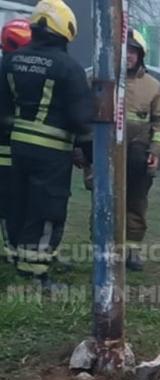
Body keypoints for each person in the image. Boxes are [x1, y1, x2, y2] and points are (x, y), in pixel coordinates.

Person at [0, 0, 93, 289]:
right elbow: (82, 121)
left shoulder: (10, 60)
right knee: (46, 208)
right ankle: (36, 272)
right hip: (52, 152)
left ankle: (16, 257)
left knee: (17, 203)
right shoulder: (69, 68)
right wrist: (92, 161)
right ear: (66, 29)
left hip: (14, 148)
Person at [121, 28, 160, 271]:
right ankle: (105, 250)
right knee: (105, 202)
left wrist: (156, 150)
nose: (128, 55)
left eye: (133, 51)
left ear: (141, 55)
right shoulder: (102, 79)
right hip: (107, 156)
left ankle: (132, 251)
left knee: (136, 203)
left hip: (139, 158)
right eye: (125, 50)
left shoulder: (153, 87)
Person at [0, 18, 32, 266]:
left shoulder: (9, 68)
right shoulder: (9, 71)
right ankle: (12, 250)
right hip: (8, 149)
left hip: (15, 148)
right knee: (12, 204)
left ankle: (13, 249)